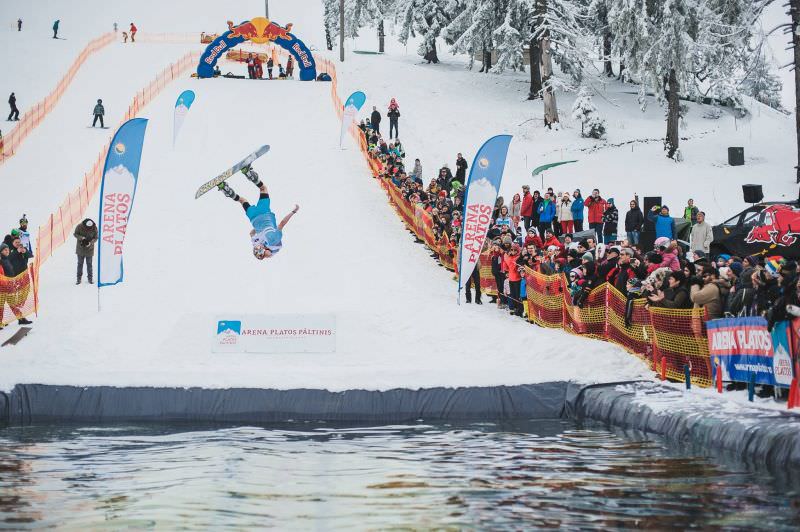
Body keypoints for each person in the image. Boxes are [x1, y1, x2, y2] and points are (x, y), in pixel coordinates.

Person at [216, 166, 299, 260]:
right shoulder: (257, 243)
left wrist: (293, 212)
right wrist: (258, 228)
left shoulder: (274, 241)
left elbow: (282, 224)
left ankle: (248, 173)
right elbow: (251, 233)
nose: (267, 256)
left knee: (263, 188)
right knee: (242, 201)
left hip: (264, 212)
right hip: (253, 218)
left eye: (264, 255)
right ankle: (226, 189)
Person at [74, 218, 98, 284]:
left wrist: (91, 243)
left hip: (90, 249)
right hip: (80, 249)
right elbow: (75, 234)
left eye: (90, 227)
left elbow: (96, 238)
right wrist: (82, 238)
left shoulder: (94, 228)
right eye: (87, 227)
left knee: (89, 264)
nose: (89, 228)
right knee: (80, 264)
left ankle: (90, 278)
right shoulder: (79, 226)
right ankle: (78, 279)